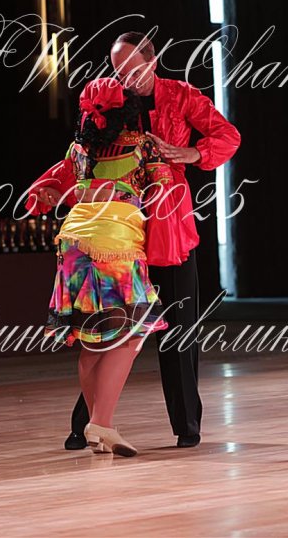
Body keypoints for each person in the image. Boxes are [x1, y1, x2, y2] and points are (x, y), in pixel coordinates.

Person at [27, 31, 242, 449]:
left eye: (133, 69)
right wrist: (50, 188)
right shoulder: (109, 104)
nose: (126, 78)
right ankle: (87, 424)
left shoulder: (181, 96)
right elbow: (79, 157)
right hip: (117, 235)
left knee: (177, 329)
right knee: (106, 330)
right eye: (118, 71)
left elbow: (227, 135)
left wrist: (193, 154)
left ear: (153, 61)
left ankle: (186, 426)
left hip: (167, 228)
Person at [37, 77, 174, 457]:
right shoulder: (143, 145)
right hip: (115, 242)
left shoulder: (79, 149)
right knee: (130, 335)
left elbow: (66, 188)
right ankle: (101, 422)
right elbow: (163, 191)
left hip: (72, 242)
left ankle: (100, 430)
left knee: (90, 340)